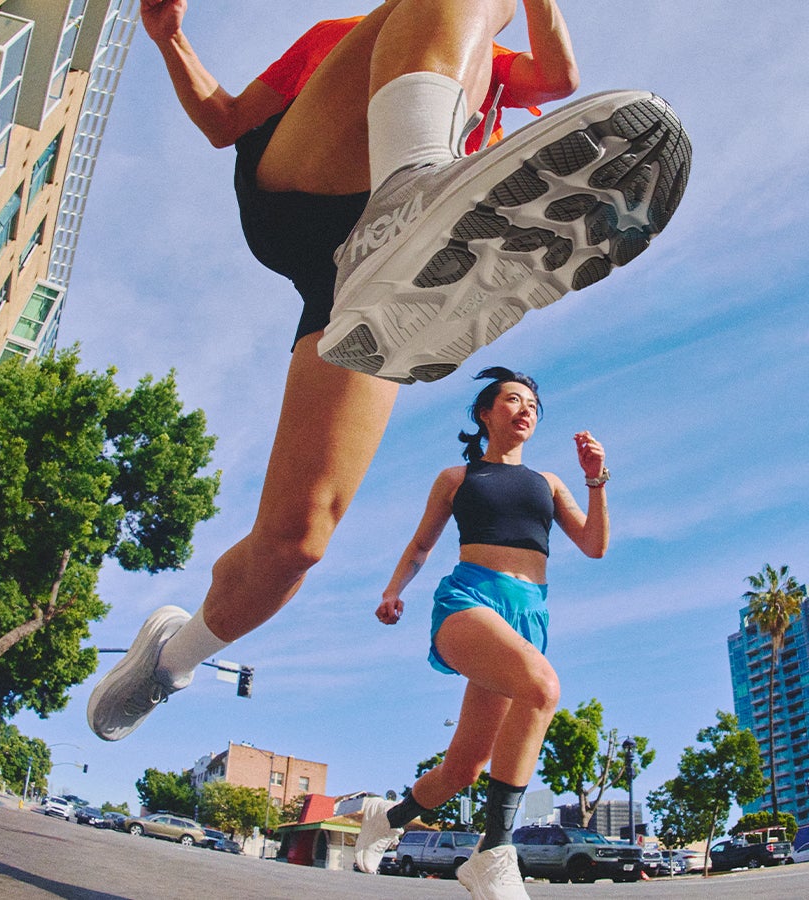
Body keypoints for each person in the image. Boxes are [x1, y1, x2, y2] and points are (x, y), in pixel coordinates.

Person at [86, 0, 681, 742]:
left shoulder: (492, 72)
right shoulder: (341, 38)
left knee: (296, 541)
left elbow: (558, 78)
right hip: (308, 195)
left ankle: (169, 661)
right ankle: (413, 183)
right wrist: (172, 39)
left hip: (373, 281)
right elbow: (224, 121)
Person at [351, 367, 607, 899]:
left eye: (532, 404)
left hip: (527, 616)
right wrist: (393, 590)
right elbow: (422, 545)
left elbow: (594, 544)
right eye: (512, 399)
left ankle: (386, 818)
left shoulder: (549, 483)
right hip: (469, 601)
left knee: (464, 770)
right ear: (486, 414)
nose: (525, 409)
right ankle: (494, 851)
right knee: (543, 688)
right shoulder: (457, 478)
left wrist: (595, 479)